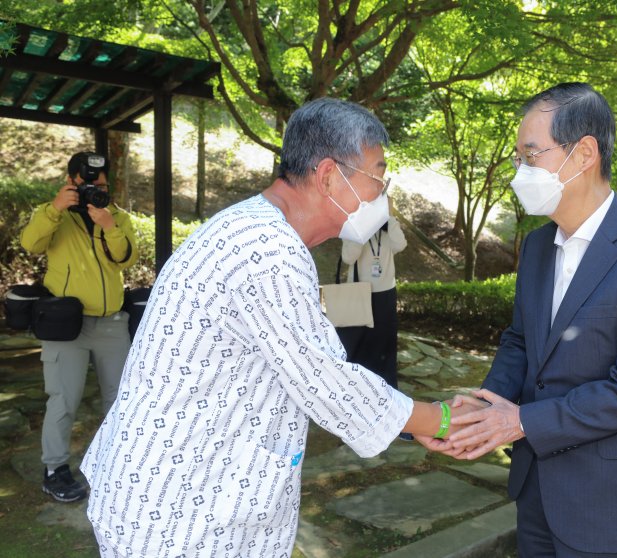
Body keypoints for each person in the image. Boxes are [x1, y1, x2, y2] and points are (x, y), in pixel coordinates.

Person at [80, 98, 477, 558]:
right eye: (377, 177)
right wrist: (440, 419)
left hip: (181, 485)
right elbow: (325, 380)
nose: (382, 195)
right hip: (181, 507)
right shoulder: (268, 249)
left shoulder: (253, 227)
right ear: (329, 175)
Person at [427, 83, 617, 557]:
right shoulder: (538, 246)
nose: (520, 171)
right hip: (538, 492)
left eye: (531, 155)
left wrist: (517, 423)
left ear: (584, 154)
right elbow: (521, 340)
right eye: (517, 158)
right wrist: (484, 406)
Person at [20, 151, 138, 503]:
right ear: (71, 181)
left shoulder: (116, 216)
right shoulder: (53, 214)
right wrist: (55, 209)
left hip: (112, 324)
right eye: (88, 185)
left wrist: (109, 226)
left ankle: (119, 463)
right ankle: (55, 469)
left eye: (102, 186)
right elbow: (30, 244)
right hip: (65, 325)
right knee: (63, 400)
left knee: (119, 399)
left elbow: (126, 258)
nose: (96, 191)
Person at [338, 208, 407, 389]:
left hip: (385, 294)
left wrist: (390, 217)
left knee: (384, 347)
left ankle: (386, 390)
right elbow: (348, 257)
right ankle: (355, 388)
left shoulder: (389, 227)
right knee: (356, 346)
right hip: (357, 293)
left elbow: (400, 245)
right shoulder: (353, 226)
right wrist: (361, 227)